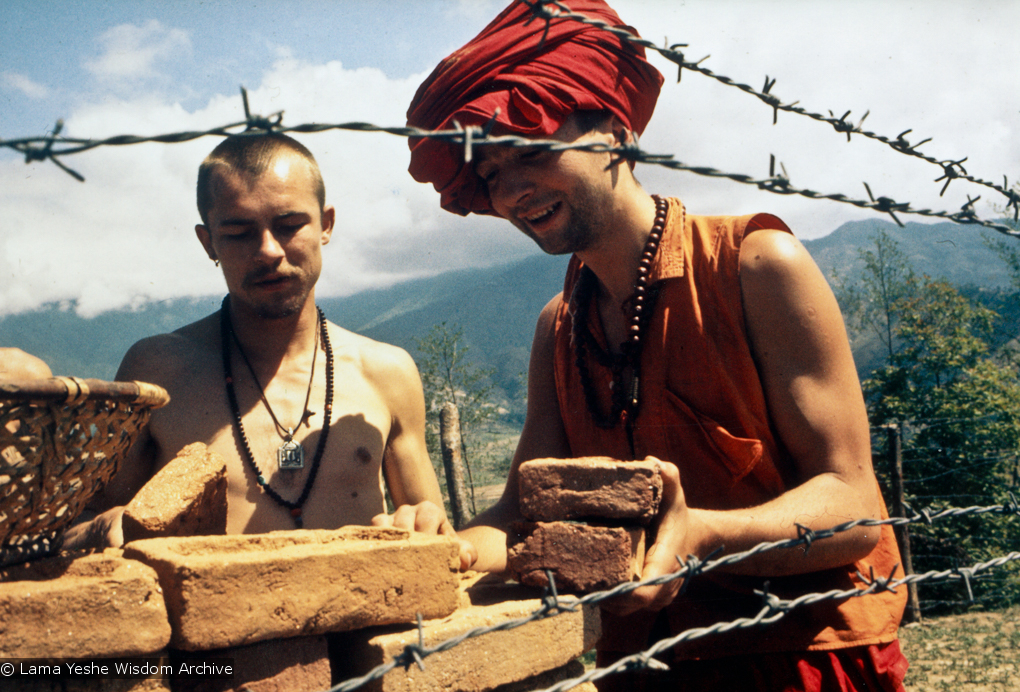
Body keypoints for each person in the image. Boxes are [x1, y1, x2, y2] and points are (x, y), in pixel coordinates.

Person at [406, 1, 907, 689]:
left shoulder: (757, 267)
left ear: (613, 130)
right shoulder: (558, 327)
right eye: (491, 176)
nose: (513, 191)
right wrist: (438, 550)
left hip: (802, 657)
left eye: (530, 152)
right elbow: (521, 516)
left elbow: (854, 512)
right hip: (639, 664)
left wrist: (700, 535)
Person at [67, 133, 470, 568]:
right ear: (209, 244)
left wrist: (424, 522)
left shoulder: (386, 372)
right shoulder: (158, 372)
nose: (268, 251)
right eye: (239, 233)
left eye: (289, 225)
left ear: (326, 224)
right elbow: (79, 524)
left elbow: (434, 531)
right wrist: (106, 526)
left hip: (362, 629)